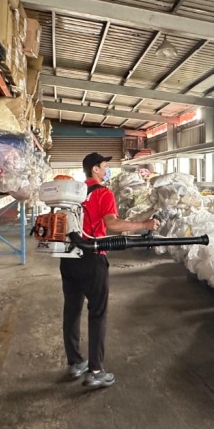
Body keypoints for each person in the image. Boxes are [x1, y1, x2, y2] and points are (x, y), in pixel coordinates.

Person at [61, 152, 158, 389]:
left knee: (72, 310)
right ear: (94, 169)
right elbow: (112, 223)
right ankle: (95, 371)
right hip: (92, 259)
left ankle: (75, 363)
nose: (106, 171)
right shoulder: (103, 193)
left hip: (69, 257)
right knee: (97, 313)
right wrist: (144, 224)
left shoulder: (73, 195)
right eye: (104, 166)